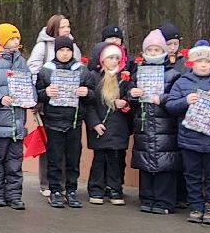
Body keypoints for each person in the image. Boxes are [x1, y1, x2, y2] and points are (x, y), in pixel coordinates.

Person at [164, 45, 210, 225]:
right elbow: (170, 106)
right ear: (191, 63)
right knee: (192, 174)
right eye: (199, 61)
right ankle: (196, 206)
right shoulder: (182, 82)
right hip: (189, 139)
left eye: (207, 62)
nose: (203, 65)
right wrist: (185, 101)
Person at [129, 30, 182, 213]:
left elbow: (178, 98)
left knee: (165, 162)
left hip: (165, 125)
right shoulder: (138, 73)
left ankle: (164, 201)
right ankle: (147, 197)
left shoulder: (173, 74)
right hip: (144, 124)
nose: (152, 53)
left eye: (156, 50)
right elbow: (130, 98)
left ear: (164, 51)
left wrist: (164, 99)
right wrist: (132, 94)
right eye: (149, 50)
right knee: (145, 161)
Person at [35, 35, 89, 207]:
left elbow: (92, 94)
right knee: (54, 159)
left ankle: (71, 190)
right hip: (53, 121)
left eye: (68, 50)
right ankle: (55, 190)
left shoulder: (81, 70)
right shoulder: (46, 70)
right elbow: (37, 93)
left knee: (73, 159)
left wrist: (86, 92)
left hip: (74, 121)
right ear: (55, 51)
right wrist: (45, 93)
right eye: (61, 50)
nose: (65, 53)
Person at [0, 23, 33, 210]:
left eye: (17, 38)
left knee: (15, 161)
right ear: (3, 40)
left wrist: (30, 98)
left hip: (18, 123)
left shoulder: (22, 62)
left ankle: (14, 195)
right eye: (11, 38)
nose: (15, 41)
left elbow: (29, 85)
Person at [27, 13, 71, 202]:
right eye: (63, 26)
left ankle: (63, 183)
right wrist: (39, 93)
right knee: (48, 142)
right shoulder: (43, 46)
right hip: (47, 101)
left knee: (67, 146)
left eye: (68, 26)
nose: (67, 29)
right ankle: (46, 183)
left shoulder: (73, 46)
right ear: (54, 28)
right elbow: (32, 69)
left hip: (68, 103)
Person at [84, 41, 134, 205]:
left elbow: (130, 97)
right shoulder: (94, 77)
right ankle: (96, 189)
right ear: (102, 60)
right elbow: (89, 104)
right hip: (100, 126)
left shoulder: (124, 78)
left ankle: (115, 189)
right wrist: (94, 123)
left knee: (115, 159)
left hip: (118, 126)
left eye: (116, 58)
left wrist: (125, 102)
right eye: (110, 58)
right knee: (99, 159)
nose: (114, 61)